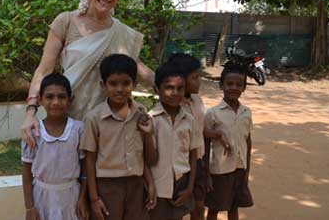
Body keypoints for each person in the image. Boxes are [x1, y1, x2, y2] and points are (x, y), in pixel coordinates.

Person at [21, 0, 155, 147]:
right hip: (67, 120)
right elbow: (43, 71)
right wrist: (30, 112)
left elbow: (138, 67)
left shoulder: (122, 33)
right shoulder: (66, 22)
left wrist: (175, 87)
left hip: (107, 124)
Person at [80, 54, 157, 220]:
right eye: (113, 84)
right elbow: (89, 160)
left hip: (136, 185)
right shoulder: (94, 118)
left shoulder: (141, 113)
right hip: (107, 187)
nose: (120, 89)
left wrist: (150, 183)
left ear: (134, 84)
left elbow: (143, 156)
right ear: (103, 85)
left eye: (126, 83)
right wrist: (94, 198)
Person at [21, 73, 88, 220]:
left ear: (70, 100)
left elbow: (85, 168)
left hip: (71, 197)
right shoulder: (33, 131)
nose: (56, 102)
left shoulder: (78, 129)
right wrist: (29, 207)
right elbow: (26, 173)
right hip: (41, 198)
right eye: (49, 97)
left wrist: (82, 198)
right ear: (40, 100)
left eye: (62, 97)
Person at [148, 63, 202, 220]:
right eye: (169, 87)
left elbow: (193, 155)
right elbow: (145, 159)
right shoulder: (150, 120)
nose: (175, 93)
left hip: (181, 184)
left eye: (180, 88)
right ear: (156, 89)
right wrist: (150, 185)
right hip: (157, 186)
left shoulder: (190, 120)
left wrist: (190, 188)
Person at [204, 65, 254, 220]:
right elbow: (205, 144)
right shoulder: (213, 113)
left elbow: (248, 140)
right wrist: (206, 173)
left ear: (244, 88)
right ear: (221, 85)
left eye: (239, 84)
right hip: (220, 170)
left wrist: (247, 169)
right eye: (229, 84)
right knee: (215, 208)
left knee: (234, 206)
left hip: (240, 168)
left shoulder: (246, 112)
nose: (234, 88)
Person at [166, 53, 207, 220]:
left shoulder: (198, 101)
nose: (199, 82)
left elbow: (199, 130)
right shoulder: (172, 107)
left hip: (198, 159)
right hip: (179, 163)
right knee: (177, 207)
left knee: (199, 206)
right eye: (194, 77)